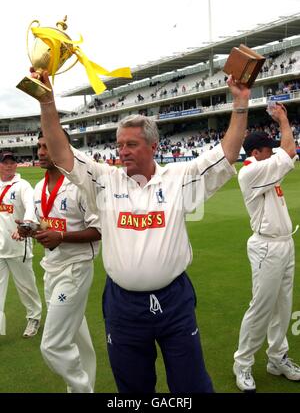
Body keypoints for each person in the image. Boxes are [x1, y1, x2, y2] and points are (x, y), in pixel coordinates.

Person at [31, 68, 251, 393]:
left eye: (132, 144)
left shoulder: (179, 178)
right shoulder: (104, 180)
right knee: (133, 389)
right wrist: (47, 102)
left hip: (174, 301)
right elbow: (62, 153)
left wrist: (241, 103)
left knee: (191, 386)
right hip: (123, 305)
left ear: (153, 146)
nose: (123, 151)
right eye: (120, 145)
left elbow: (226, 154)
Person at [16, 132, 101, 393]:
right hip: (51, 268)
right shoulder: (40, 188)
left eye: (47, 146)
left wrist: (60, 236)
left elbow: (99, 231)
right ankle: (87, 383)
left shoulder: (80, 185)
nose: (41, 152)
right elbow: (44, 223)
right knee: (77, 335)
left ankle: (81, 389)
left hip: (75, 269)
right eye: (39, 146)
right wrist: (30, 229)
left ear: (63, 148)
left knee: (51, 345)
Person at [233, 103, 300, 392]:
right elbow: (290, 153)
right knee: (261, 308)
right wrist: (284, 120)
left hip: (285, 244)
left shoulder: (264, 169)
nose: (273, 151)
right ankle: (243, 364)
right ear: (257, 152)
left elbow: (286, 156)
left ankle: (277, 358)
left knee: (282, 306)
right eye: (268, 149)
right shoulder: (251, 173)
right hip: (267, 248)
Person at [0, 151, 42, 337]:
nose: (9, 165)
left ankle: (34, 317)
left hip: (18, 247)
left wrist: (24, 227)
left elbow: (31, 206)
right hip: (0, 249)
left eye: (12, 162)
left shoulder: (22, 186)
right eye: (5, 162)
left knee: (26, 287)